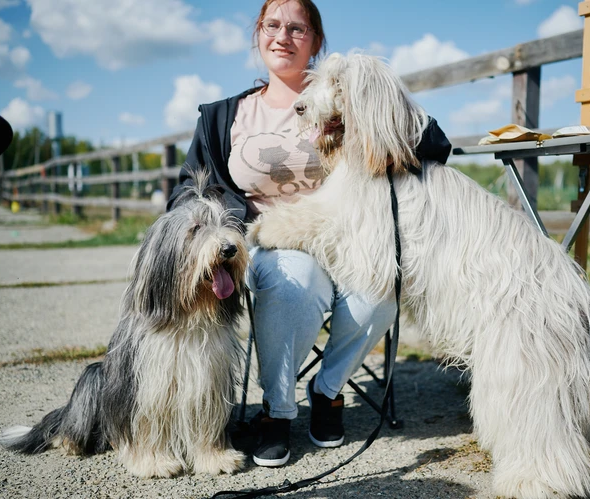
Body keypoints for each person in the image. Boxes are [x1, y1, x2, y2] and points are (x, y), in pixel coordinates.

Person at [167, 0, 451, 468]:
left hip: (351, 236)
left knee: (383, 286)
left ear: (317, 41)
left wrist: (377, 117)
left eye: (297, 28)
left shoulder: (347, 97)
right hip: (273, 239)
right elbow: (189, 191)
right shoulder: (224, 116)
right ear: (258, 33)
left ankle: (328, 390)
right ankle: (277, 412)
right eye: (272, 26)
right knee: (293, 280)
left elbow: (434, 144)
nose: (283, 36)